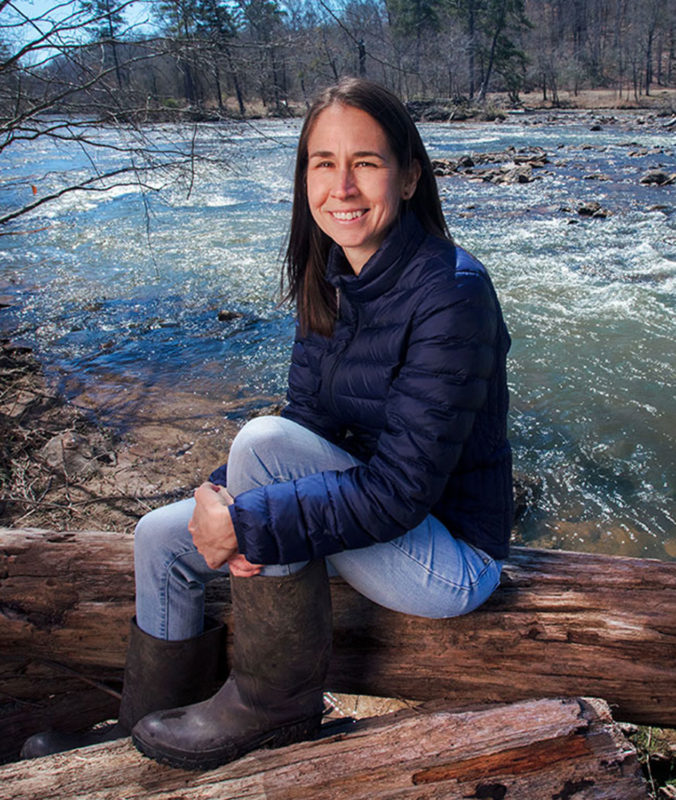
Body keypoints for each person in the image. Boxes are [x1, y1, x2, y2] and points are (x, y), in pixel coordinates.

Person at [22, 77, 512, 770]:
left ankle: (272, 705)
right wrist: (216, 499)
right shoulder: (332, 274)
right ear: (304, 177)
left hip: (446, 557)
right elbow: (309, 420)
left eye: (366, 163)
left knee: (261, 443)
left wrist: (250, 525)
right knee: (160, 537)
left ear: (407, 178)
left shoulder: (453, 293)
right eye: (323, 162)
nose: (342, 185)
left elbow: (401, 491)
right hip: (371, 519)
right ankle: (141, 733)